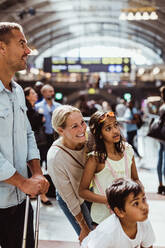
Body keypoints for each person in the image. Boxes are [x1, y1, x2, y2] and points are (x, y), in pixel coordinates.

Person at [0, 22, 49, 248]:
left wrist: (37, 173)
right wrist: (22, 182)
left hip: (18, 201)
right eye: (22, 44)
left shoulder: (18, 91)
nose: (28, 51)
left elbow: (28, 134)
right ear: (1, 47)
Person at [79, 111, 141, 225]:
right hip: (103, 220)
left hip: (127, 216)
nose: (115, 131)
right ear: (100, 134)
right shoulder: (95, 159)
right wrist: (109, 200)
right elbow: (82, 191)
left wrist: (139, 194)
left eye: (116, 125)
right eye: (108, 129)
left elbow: (135, 179)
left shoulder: (128, 150)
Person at [47, 105, 93, 243]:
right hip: (73, 198)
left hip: (92, 190)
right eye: (74, 126)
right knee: (90, 239)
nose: (82, 129)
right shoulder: (55, 157)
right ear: (61, 130)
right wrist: (84, 228)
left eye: (82, 123)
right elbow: (70, 199)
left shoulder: (90, 137)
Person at [81, 178, 155, 248]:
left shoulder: (144, 224)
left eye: (143, 199)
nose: (143, 206)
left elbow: (148, 246)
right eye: (135, 203)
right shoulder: (108, 232)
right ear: (119, 212)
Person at [24, 86, 52, 205]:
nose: (35, 95)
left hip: (39, 140)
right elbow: (32, 126)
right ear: (27, 96)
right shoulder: (28, 110)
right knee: (36, 167)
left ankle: (35, 193)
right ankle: (41, 195)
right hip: (34, 141)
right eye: (33, 93)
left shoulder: (34, 108)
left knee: (38, 166)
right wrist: (41, 118)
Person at [35, 84, 61, 166]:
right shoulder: (37, 106)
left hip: (55, 135)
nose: (52, 93)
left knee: (54, 157)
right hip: (43, 136)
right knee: (42, 156)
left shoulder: (58, 106)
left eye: (52, 91)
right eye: (50, 91)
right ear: (43, 93)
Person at [157, 86, 165, 194]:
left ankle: (160, 184)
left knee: (161, 159)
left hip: (161, 137)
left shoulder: (162, 107)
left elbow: (160, 123)